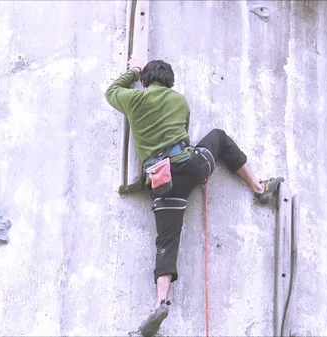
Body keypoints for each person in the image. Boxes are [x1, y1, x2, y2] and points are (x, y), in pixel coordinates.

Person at [104, 59, 284, 336]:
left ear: (145, 81)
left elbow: (111, 91)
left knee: (166, 242)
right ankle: (259, 189)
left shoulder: (133, 99)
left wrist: (133, 70)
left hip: (162, 181)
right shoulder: (179, 101)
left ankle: (160, 303)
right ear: (169, 81)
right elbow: (184, 132)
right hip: (191, 165)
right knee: (219, 137)